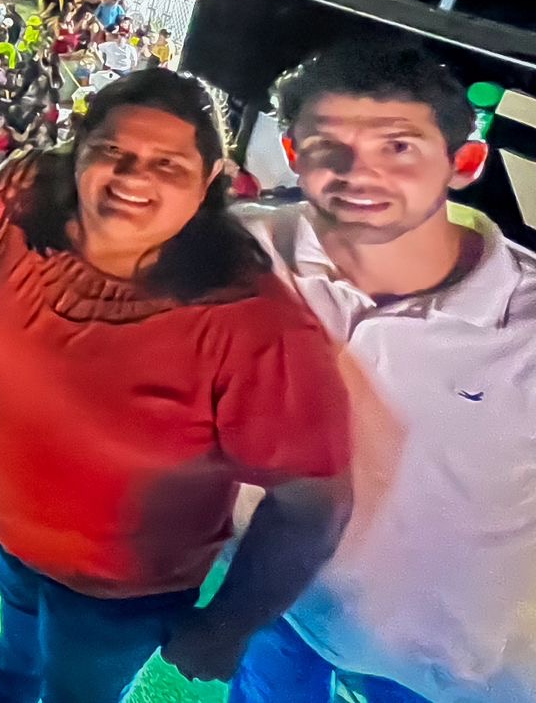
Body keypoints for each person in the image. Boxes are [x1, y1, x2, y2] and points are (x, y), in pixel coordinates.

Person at [0, 69, 351, 703]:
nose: (134, 176)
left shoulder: (251, 325)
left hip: (116, 592)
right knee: (18, 655)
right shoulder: (25, 198)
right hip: (5, 532)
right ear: (77, 148)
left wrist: (228, 624)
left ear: (211, 181)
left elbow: (313, 506)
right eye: (112, 151)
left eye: (169, 164)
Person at [229, 45, 536, 703]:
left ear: (466, 163)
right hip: (281, 605)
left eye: (398, 147)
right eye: (326, 147)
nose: (357, 176)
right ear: (291, 155)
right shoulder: (246, 252)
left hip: (450, 672)